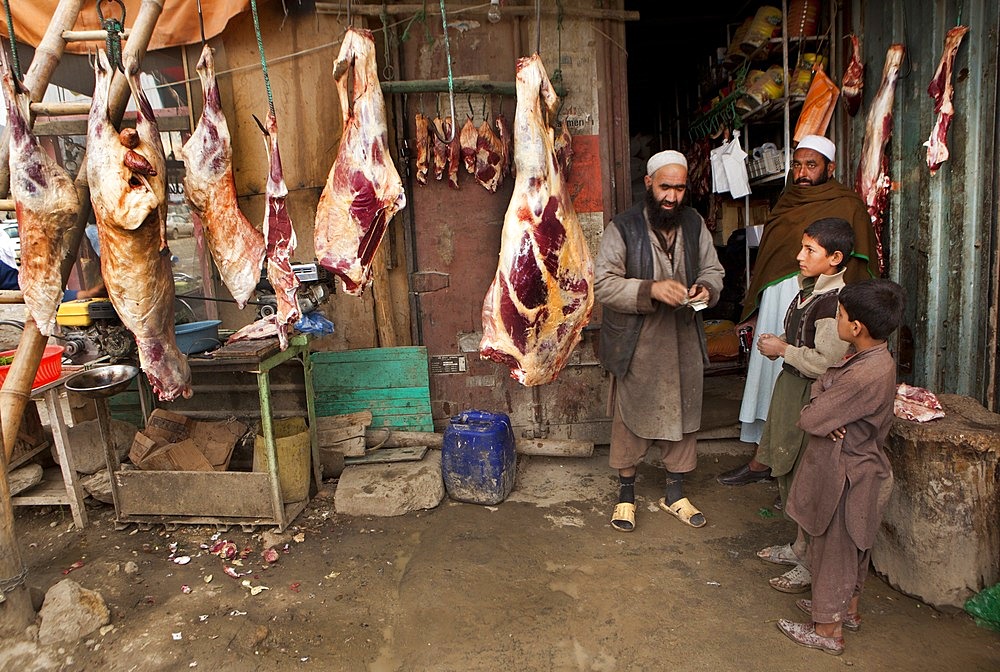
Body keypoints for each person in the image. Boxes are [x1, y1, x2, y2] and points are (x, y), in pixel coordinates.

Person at [718, 134, 876, 487]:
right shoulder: (786, 200)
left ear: (829, 168)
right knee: (771, 375)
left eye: (811, 165)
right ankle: (764, 454)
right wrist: (760, 304)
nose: (802, 172)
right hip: (782, 300)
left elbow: (861, 258)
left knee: (814, 378)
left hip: (825, 299)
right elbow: (771, 256)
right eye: (798, 165)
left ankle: (796, 471)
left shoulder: (847, 204)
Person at [594, 149, 725, 532]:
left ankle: (675, 494)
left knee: (684, 415)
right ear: (649, 183)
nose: (672, 196)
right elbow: (604, 284)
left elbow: (713, 270)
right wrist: (651, 288)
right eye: (665, 187)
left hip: (683, 337)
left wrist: (706, 289)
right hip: (638, 341)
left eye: (680, 189)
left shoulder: (695, 224)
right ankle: (625, 495)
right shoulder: (622, 228)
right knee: (629, 419)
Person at [776, 279, 904, 656]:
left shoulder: (865, 373)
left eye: (841, 315)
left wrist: (821, 405)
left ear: (857, 327)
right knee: (851, 546)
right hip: (859, 466)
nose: (836, 321)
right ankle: (846, 609)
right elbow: (824, 384)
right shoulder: (869, 358)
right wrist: (825, 395)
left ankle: (827, 629)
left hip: (847, 472)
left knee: (836, 548)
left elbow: (813, 417)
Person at [750, 217, 854, 595]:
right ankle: (798, 546)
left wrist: (784, 350)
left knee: (807, 478)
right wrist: (781, 341)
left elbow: (827, 362)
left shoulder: (834, 303)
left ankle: (811, 562)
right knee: (787, 468)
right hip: (790, 389)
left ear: (835, 258)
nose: (799, 256)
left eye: (810, 250)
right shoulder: (808, 292)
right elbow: (804, 342)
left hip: (811, 395)